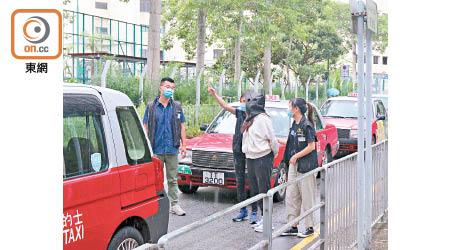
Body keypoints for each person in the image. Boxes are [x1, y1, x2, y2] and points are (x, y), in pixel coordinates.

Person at [207, 85, 259, 224]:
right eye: (242, 100)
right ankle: (243, 210)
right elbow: (224, 106)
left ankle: (255, 211)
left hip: (252, 150)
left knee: (253, 181)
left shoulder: (257, 116)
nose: (243, 103)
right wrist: (214, 94)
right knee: (240, 180)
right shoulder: (240, 113)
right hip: (238, 149)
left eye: (246, 101)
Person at [143, 77, 187, 216]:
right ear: (160, 88)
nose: (170, 90)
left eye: (172, 88)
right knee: (156, 179)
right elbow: (146, 126)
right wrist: (147, 146)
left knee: (172, 179)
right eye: (168, 87)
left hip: (172, 148)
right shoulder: (151, 107)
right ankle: (156, 204)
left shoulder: (177, 107)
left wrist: (183, 145)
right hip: (156, 149)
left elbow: (182, 127)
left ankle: (174, 204)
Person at [278, 98, 318, 238]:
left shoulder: (307, 125)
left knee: (307, 197)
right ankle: (292, 226)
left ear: (296, 109)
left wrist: (296, 156)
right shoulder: (294, 125)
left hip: (306, 166)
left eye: (290, 106)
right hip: (294, 167)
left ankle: (309, 227)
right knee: (291, 196)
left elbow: (311, 146)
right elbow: (290, 142)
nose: (289, 109)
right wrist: (275, 139)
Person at [240, 90, 279, 232]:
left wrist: (273, 154)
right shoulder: (249, 118)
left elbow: (272, 140)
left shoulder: (263, 119)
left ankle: (268, 221)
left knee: (264, 190)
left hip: (262, 157)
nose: (246, 105)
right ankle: (263, 219)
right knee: (255, 190)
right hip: (250, 157)